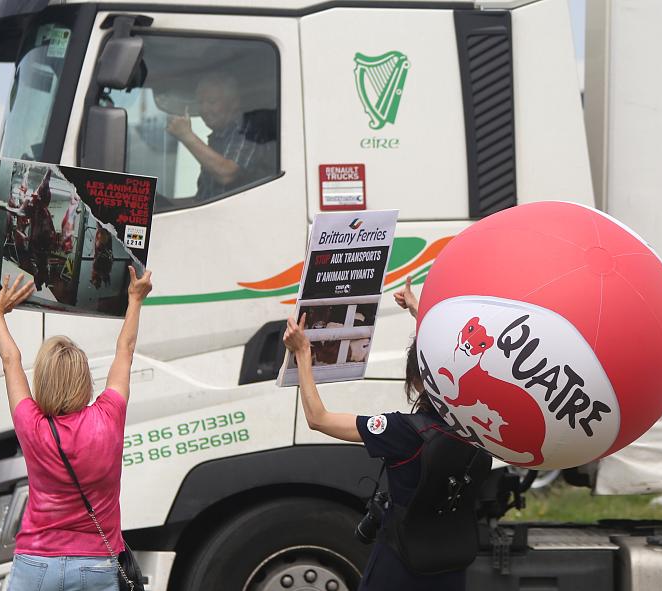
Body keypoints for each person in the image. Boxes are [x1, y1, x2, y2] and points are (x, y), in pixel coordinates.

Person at [282, 275, 490, 591]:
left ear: (415, 381)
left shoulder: (401, 432)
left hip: (401, 564)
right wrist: (417, 310)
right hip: (450, 564)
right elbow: (448, 362)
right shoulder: (477, 426)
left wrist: (303, 356)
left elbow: (318, 418)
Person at [0, 266, 152, 591]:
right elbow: (126, 350)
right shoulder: (108, 418)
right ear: (84, 381)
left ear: (43, 381)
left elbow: (11, 360)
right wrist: (135, 300)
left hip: (35, 565)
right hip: (96, 566)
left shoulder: (31, 424)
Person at [166, 72, 273, 200]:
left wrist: (186, 135)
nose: (204, 109)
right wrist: (164, 204)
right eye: (200, 102)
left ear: (234, 103)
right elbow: (204, 199)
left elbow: (227, 173)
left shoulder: (248, 129)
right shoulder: (219, 135)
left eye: (211, 102)